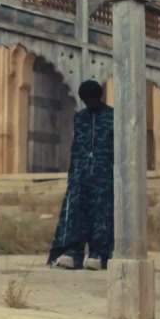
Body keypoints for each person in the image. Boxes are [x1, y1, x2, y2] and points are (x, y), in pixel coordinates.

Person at [47, 80, 114, 270]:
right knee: (75, 212)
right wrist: (73, 174)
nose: (89, 103)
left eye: (91, 99)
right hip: (80, 174)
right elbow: (77, 146)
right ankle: (73, 253)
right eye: (86, 100)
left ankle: (98, 254)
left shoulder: (111, 117)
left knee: (101, 214)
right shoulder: (80, 118)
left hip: (103, 175)